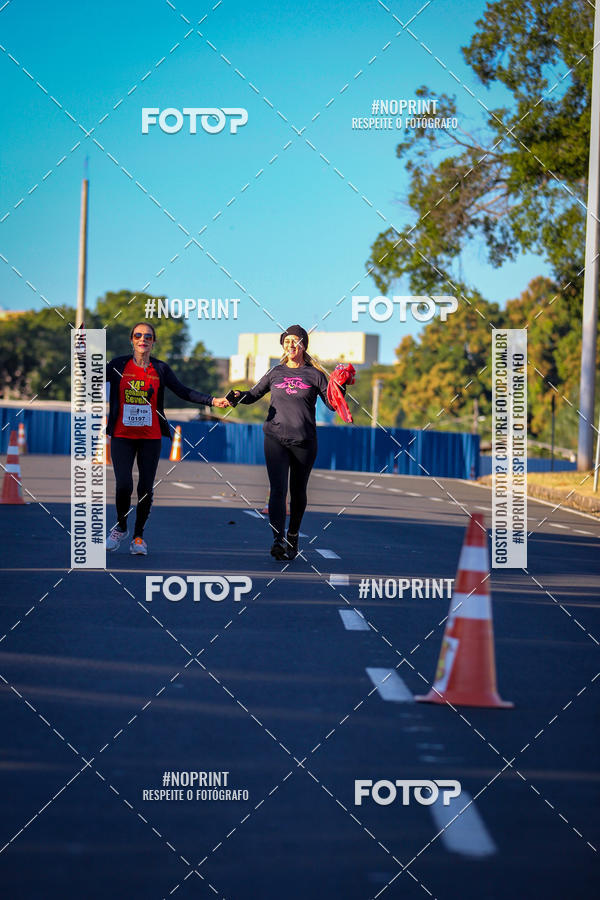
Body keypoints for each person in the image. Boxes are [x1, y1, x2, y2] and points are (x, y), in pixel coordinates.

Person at [105, 322, 229, 555]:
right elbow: (91, 375)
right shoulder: (118, 365)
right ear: (131, 340)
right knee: (123, 485)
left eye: (148, 336)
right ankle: (120, 527)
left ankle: (139, 537)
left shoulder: (160, 369)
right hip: (122, 435)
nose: (143, 339)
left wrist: (213, 400)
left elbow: (183, 391)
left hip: (150, 437)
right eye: (138, 335)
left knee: (145, 487)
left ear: (154, 342)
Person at [234, 324, 347, 561]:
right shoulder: (275, 372)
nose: (291, 345)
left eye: (295, 341)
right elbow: (253, 395)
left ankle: (292, 534)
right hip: (274, 437)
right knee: (278, 490)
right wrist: (237, 396)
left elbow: (333, 403)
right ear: (283, 346)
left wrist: (341, 384)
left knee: (297, 492)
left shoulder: (315, 374)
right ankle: (277, 539)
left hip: (304, 441)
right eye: (287, 342)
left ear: (304, 345)